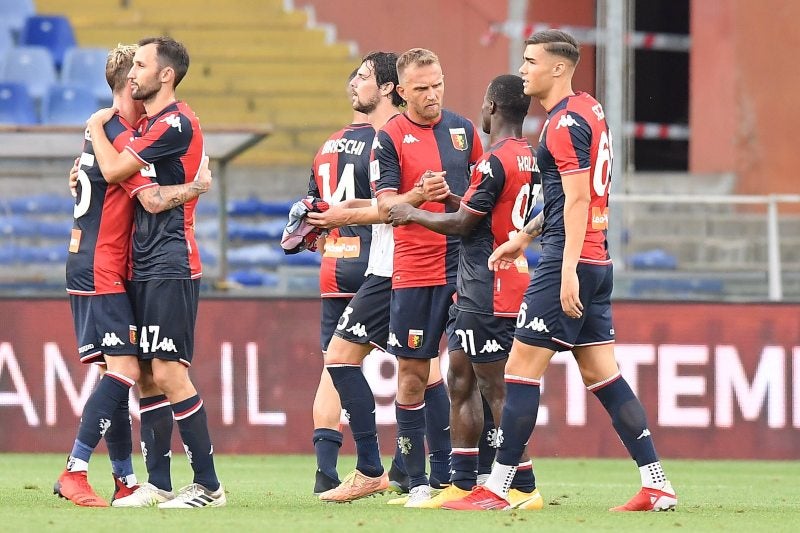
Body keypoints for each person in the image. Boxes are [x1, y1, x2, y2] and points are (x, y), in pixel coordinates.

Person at [445, 29, 678, 512]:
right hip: (597, 259)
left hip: (567, 263)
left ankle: (497, 489)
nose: (523, 68)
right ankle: (657, 483)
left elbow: (575, 199)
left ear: (558, 68)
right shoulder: (589, 109)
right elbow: (567, 197)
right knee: (604, 376)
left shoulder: (561, 125)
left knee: (519, 372)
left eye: (531, 61)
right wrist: (524, 237)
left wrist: (564, 268)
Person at [54, 43, 212, 508]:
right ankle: (76, 469)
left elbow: (97, 174)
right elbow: (148, 196)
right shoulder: (120, 135)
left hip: (101, 263)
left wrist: (93, 132)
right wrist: (199, 188)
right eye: (137, 68)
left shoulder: (113, 131)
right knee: (126, 371)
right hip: (104, 265)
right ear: (130, 84)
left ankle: (126, 478)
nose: (141, 76)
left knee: (130, 371)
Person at [387, 73, 544, 510]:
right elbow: (485, 210)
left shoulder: (494, 160)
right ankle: (462, 481)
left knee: (497, 388)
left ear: (492, 108)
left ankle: (522, 487)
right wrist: (454, 197)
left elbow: (463, 225)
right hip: (487, 284)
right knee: (460, 376)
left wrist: (410, 212)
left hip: (489, 287)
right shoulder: (527, 156)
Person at [373, 48, 483, 507]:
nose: (433, 94)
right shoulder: (390, 137)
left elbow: (483, 194)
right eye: (421, 88)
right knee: (413, 377)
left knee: (471, 373)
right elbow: (384, 207)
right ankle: (415, 478)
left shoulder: (464, 130)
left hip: (465, 271)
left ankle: (467, 479)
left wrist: (458, 197)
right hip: (415, 272)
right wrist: (421, 193)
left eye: (437, 84)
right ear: (401, 91)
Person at [306, 68, 376, 495]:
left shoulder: (325, 147)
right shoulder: (385, 142)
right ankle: (417, 469)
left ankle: (325, 473)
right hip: (376, 267)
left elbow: (310, 209)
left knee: (332, 369)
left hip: (334, 266)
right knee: (418, 365)